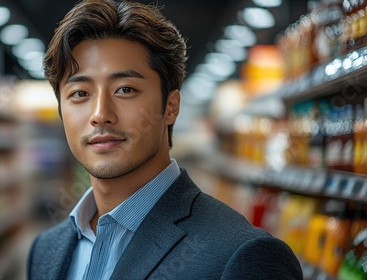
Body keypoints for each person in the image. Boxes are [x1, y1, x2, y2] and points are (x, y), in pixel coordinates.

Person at [27, 0, 303, 279]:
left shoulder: (243, 255)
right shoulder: (46, 250)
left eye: (125, 89)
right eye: (80, 94)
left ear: (170, 106)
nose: (100, 115)